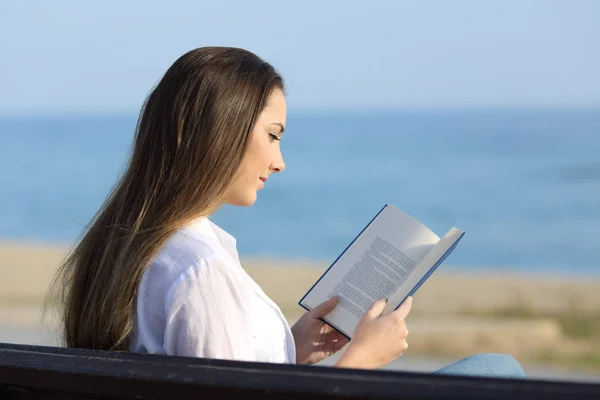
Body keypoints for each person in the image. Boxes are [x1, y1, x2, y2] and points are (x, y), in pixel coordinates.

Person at [50, 46, 524, 377]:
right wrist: (361, 362)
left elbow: (214, 372)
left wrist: (288, 351)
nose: (279, 162)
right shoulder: (200, 270)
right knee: (497, 372)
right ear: (215, 130)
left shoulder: (126, 245)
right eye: (273, 135)